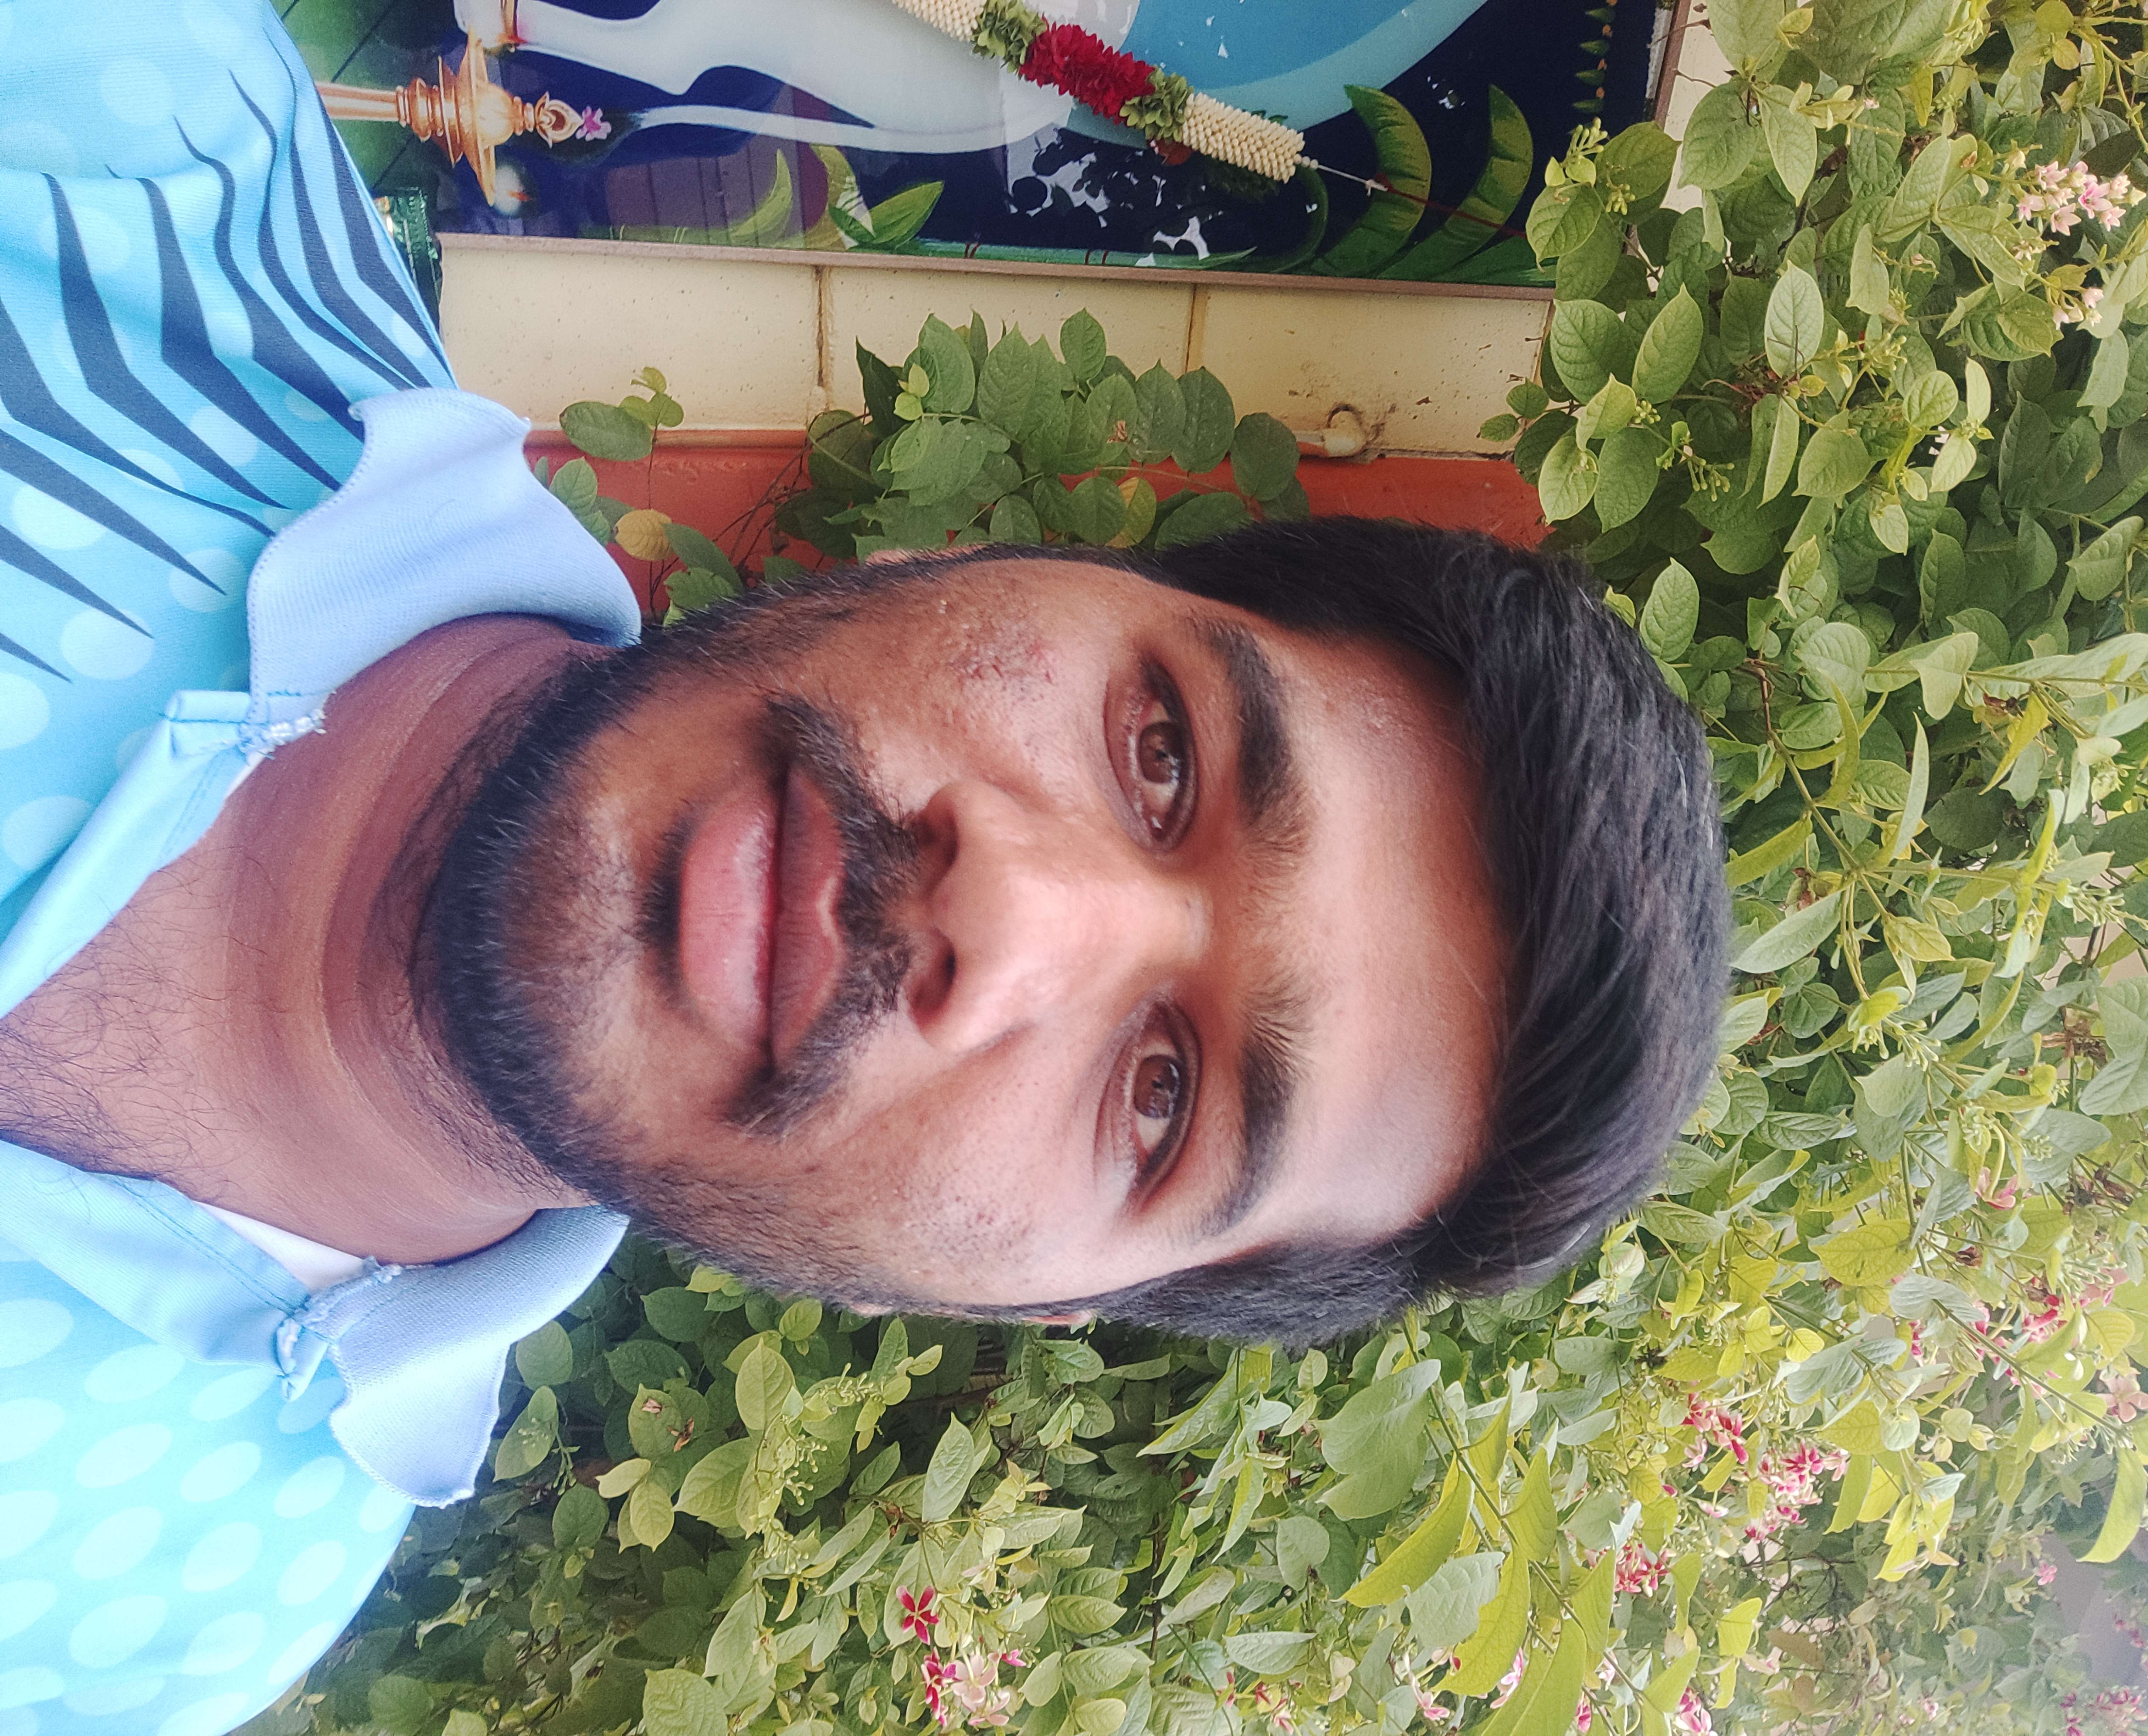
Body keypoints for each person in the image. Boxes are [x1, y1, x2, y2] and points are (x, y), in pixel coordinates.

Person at [0, 0, 1726, 1729]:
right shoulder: (116, 147)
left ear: (1043, 1305)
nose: (1014, 908)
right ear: (972, 556)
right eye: (1162, 752)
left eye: (1161, 1098)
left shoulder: (156, 1630)